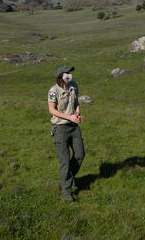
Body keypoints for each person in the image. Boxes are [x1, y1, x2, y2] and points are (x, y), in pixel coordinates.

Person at [47, 64, 85, 202]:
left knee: (80, 154)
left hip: (74, 126)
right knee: (64, 161)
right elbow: (52, 110)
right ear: (60, 76)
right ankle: (67, 192)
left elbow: (76, 101)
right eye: (67, 73)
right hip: (60, 128)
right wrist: (69, 117)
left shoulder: (73, 85)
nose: (69, 74)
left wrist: (77, 112)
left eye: (70, 72)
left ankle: (70, 177)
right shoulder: (53, 91)